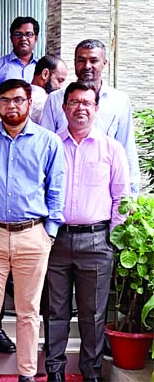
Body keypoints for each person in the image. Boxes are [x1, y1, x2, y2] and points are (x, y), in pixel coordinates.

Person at [0, 79, 65, 382]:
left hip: (33, 234)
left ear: (29, 102)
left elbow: (56, 190)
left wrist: (49, 233)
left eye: (17, 100)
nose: (11, 106)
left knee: (28, 311)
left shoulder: (48, 141)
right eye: (4, 100)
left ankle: (27, 374)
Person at [45, 83, 129, 382]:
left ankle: (90, 374)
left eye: (86, 103)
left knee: (93, 315)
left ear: (95, 109)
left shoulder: (111, 148)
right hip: (56, 239)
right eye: (74, 102)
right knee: (56, 312)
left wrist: (111, 238)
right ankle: (54, 371)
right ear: (64, 107)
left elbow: (122, 197)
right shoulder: (51, 143)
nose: (80, 107)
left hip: (96, 240)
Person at [39, 38, 140, 195]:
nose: (87, 66)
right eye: (81, 60)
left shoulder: (119, 101)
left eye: (94, 60)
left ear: (105, 63)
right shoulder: (55, 99)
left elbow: (127, 149)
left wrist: (131, 196)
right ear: (74, 62)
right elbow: (44, 147)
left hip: (103, 192)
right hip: (63, 190)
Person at [0, 16, 40, 92]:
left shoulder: (42, 68)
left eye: (28, 34)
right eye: (18, 34)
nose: (23, 38)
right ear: (11, 38)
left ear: (35, 38)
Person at [30, 55, 68, 124]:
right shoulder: (47, 102)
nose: (60, 86)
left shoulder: (20, 96)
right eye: (59, 80)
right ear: (45, 74)